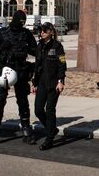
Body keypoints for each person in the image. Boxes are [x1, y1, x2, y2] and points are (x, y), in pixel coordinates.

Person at [0, 10, 37, 146]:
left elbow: (36, 51)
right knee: (0, 100)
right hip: (5, 70)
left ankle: (26, 128)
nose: (21, 24)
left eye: (23, 22)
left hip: (21, 70)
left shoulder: (26, 34)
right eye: (20, 21)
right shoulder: (2, 32)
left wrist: (28, 48)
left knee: (23, 100)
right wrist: (1, 48)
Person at [32, 22, 67, 150]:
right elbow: (37, 66)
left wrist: (61, 81)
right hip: (41, 82)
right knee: (38, 110)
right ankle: (52, 129)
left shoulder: (58, 46)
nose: (42, 32)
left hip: (54, 84)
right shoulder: (39, 45)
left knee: (50, 110)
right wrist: (34, 83)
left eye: (45, 30)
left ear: (51, 32)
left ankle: (49, 139)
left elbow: (62, 64)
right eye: (41, 30)